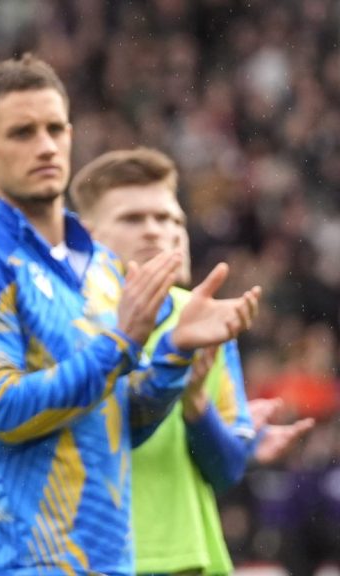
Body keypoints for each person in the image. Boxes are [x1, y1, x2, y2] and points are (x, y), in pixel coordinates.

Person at [0, 54, 261, 575]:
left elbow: (120, 423)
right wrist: (121, 342)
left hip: (110, 560)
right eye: (23, 133)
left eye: (55, 129)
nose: (46, 146)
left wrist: (172, 355)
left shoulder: (100, 267)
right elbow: (0, 413)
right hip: (21, 563)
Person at [70, 146, 315, 576]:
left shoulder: (205, 318)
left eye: (168, 219)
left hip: (192, 558)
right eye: (133, 218)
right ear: (86, 236)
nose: (155, 231)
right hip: (90, 558)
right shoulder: (63, 317)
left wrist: (198, 408)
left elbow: (226, 471)